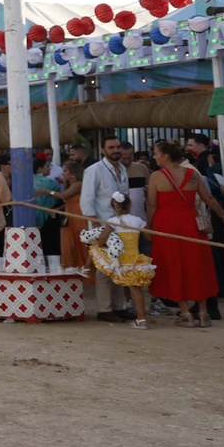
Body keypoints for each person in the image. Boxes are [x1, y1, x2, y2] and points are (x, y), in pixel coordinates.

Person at [149, 139, 224, 327]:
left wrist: (148, 226)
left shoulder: (156, 176)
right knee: (197, 264)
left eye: (156, 153)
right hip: (191, 222)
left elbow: (152, 205)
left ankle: (186, 313)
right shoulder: (192, 174)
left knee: (174, 264)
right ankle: (203, 313)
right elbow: (208, 197)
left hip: (167, 223)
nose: (154, 157)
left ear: (165, 156)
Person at [81, 134, 132, 322]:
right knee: (104, 267)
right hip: (102, 224)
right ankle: (105, 309)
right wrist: (95, 224)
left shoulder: (123, 169)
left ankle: (119, 306)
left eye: (118, 147)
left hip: (120, 224)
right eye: (111, 147)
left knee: (119, 264)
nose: (116, 151)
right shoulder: (94, 170)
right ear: (103, 150)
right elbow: (87, 199)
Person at [88, 191, 157, 329]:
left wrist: (107, 244)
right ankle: (139, 318)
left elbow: (102, 240)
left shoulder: (112, 222)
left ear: (114, 206)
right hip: (136, 259)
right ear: (129, 205)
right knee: (136, 289)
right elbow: (149, 238)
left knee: (132, 288)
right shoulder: (137, 220)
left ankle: (141, 319)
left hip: (121, 260)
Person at [58, 163, 90, 275]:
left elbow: (64, 196)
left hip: (78, 215)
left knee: (80, 242)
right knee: (68, 243)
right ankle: (71, 267)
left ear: (73, 173)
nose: (63, 174)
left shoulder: (78, 184)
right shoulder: (69, 185)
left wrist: (47, 192)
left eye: (65, 171)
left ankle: (84, 268)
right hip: (69, 216)